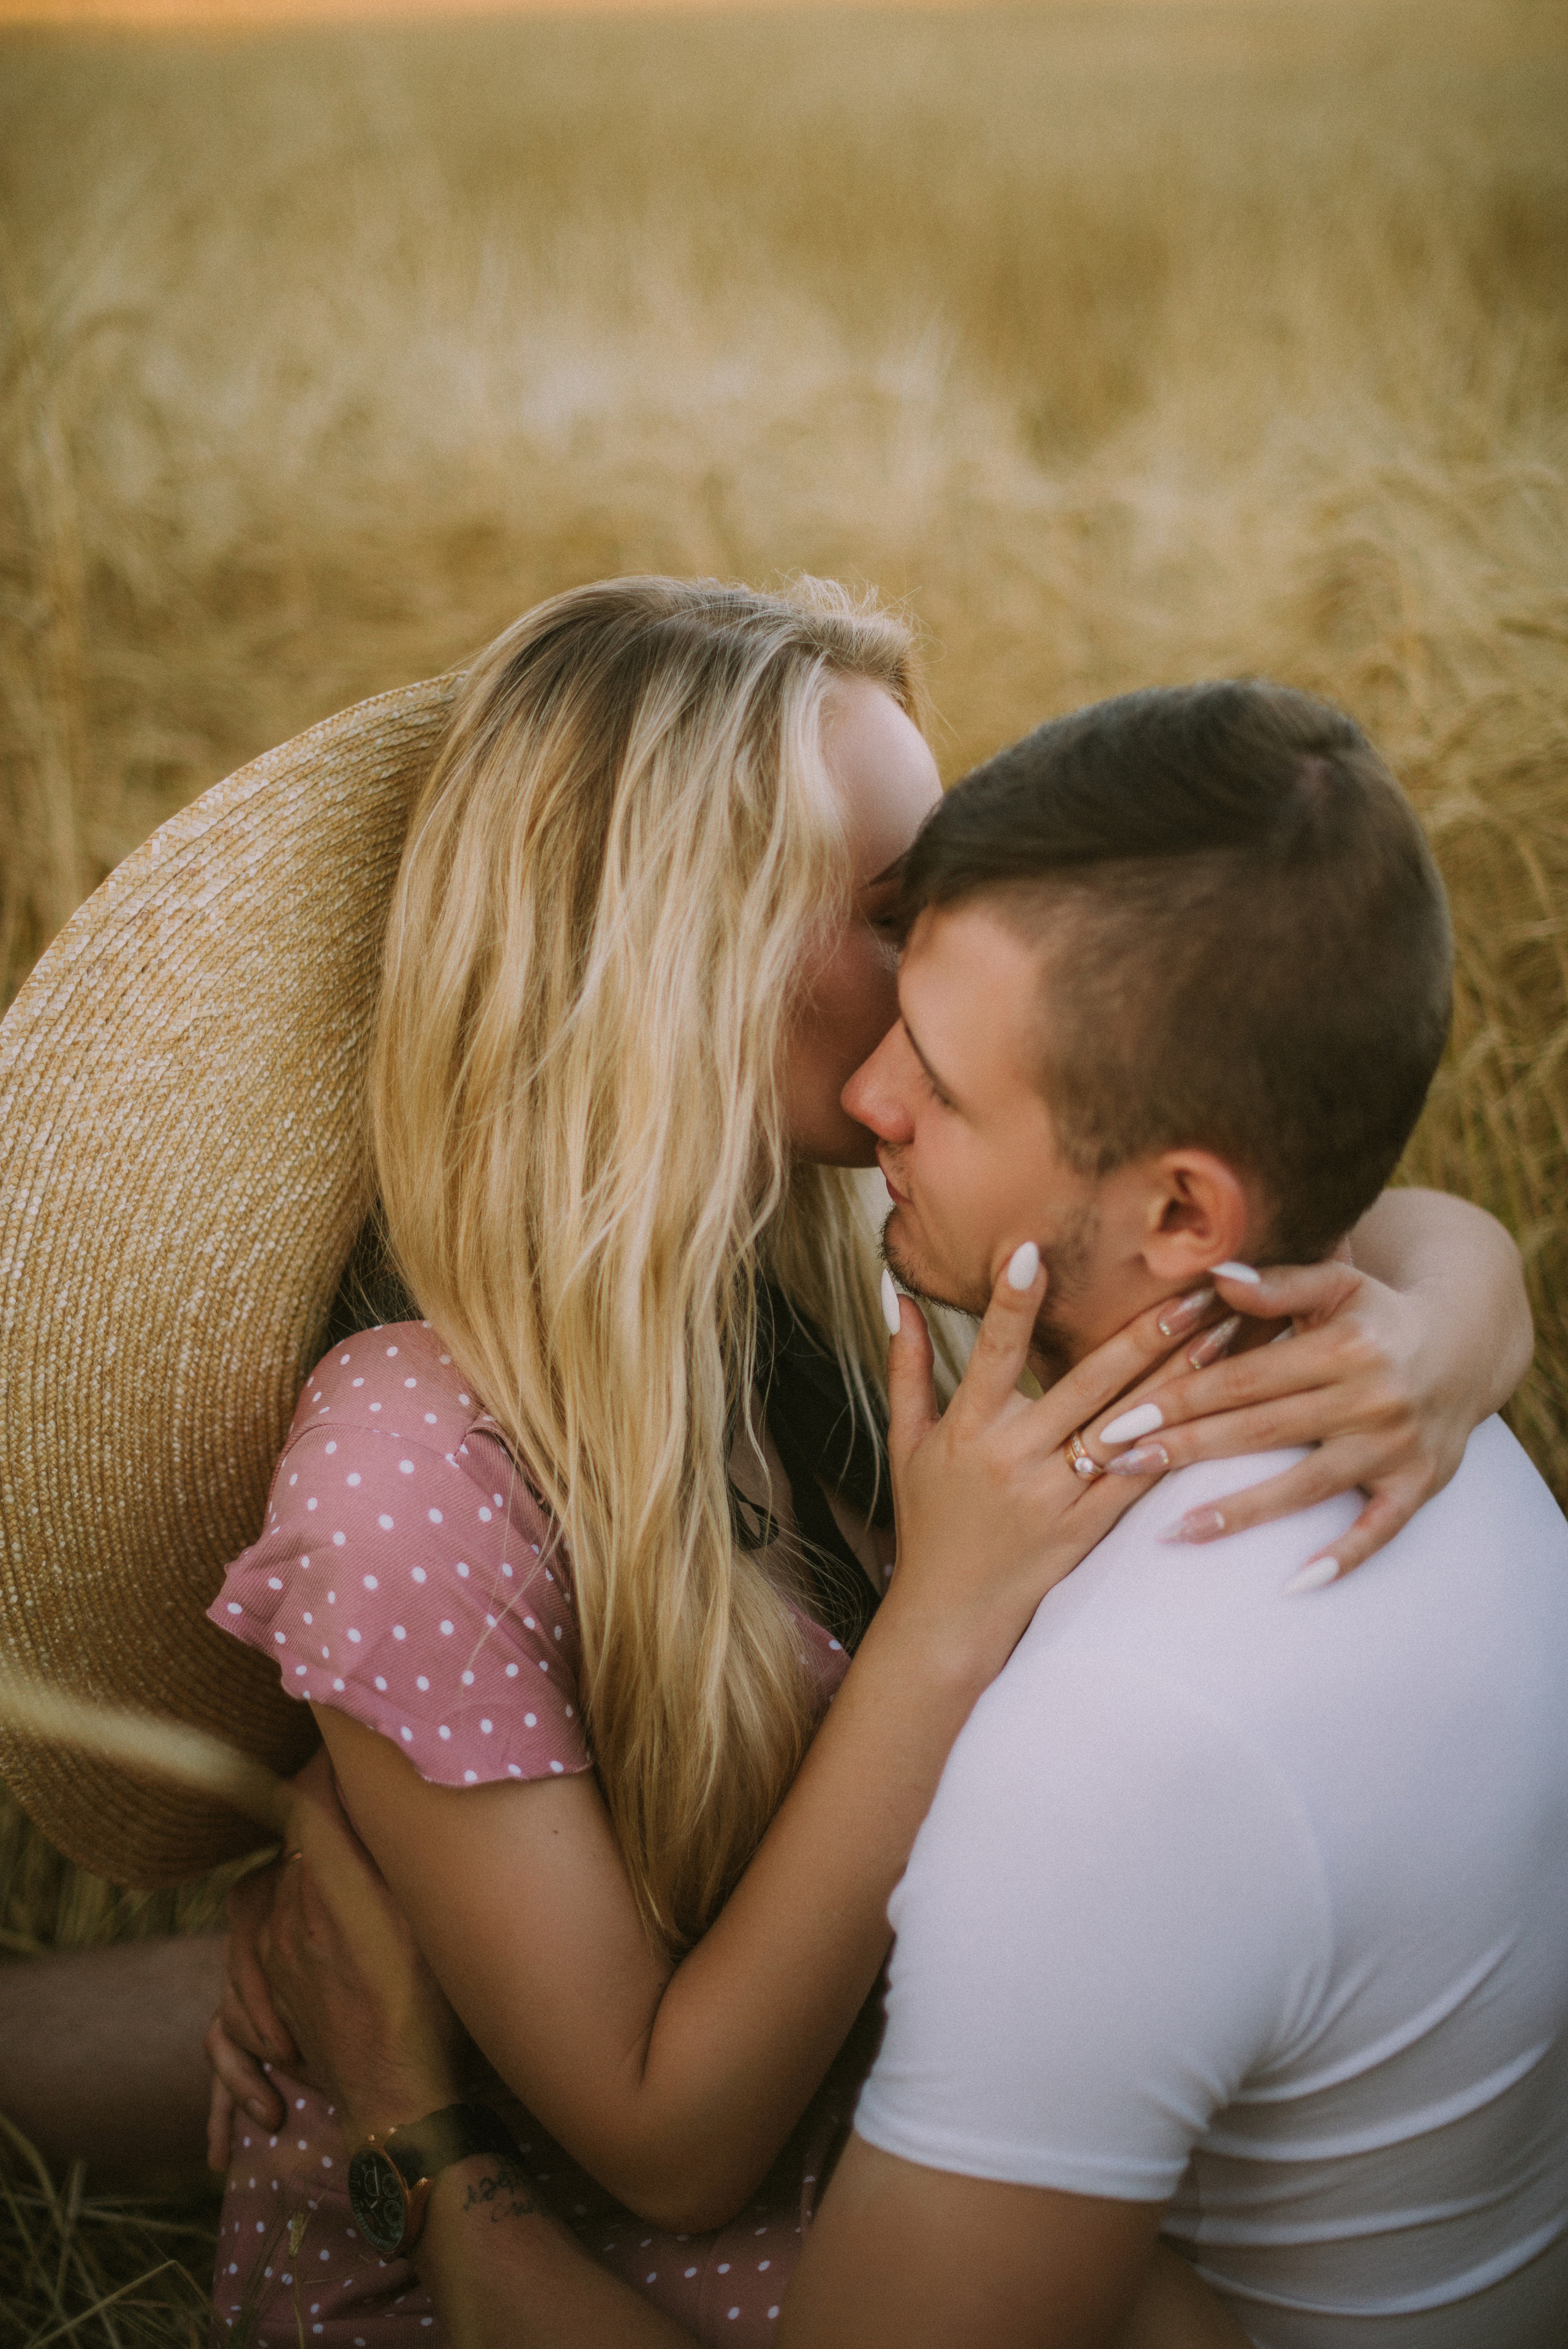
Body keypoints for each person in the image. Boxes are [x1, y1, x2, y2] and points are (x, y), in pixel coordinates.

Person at [189, 588, 1533, 2349]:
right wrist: (943, 1620)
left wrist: (1451, 1318)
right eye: (911, 912)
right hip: (593, 2221)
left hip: (821, 2071)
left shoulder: (832, 1236)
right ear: (683, 957)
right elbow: (666, 2146)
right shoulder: (409, 1471)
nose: (973, 958)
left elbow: (1281, 1188)